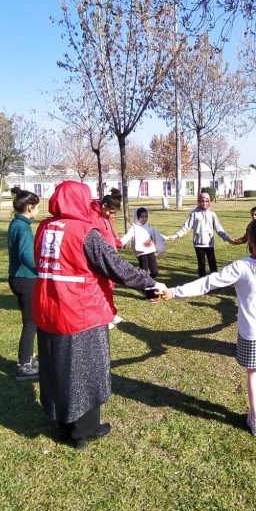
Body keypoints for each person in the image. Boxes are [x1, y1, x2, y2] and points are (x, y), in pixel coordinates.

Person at [32, 181, 166, 449]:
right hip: (80, 313)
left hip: (48, 310)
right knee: (85, 370)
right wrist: (149, 282)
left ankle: (64, 422)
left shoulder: (44, 228)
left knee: (57, 368)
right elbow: (115, 266)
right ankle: (83, 429)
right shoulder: (85, 232)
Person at [164, 219, 256, 437]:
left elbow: (208, 283)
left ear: (250, 240)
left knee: (255, 373)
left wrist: (175, 292)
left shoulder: (241, 267)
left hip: (253, 333)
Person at [7, 187, 41, 381]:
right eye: (36, 208)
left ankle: (28, 357)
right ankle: (24, 365)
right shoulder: (23, 227)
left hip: (17, 278)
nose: (37, 211)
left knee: (31, 321)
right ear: (29, 208)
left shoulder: (15, 223)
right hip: (25, 280)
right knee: (30, 323)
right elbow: (26, 256)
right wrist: (42, 270)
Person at [165, 192, 234, 277]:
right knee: (201, 265)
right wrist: (176, 235)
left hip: (209, 244)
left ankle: (216, 283)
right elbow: (186, 227)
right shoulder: (194, 214)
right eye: (202, 201)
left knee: (212, 263)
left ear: (209, 202)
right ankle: (202, 284)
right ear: (199, 201)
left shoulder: (212, 214)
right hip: (198, 244)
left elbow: (219, 229)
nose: (204, 203)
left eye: (206, 201)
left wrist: (228, 239)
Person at [91, 192, 124, 324]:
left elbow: (110, 232)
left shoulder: (108, 217)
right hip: (101, 257)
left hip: (111, 256)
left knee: (110, 287)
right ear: (104, 205)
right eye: (110, 212)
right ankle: (103, 317)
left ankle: (111, 313)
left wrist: (116, 241)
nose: (110, 215)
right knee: (101, 289)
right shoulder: (93, 217)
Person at [120, 207, 166, 291]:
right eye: (141, 217)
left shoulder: (148, 226)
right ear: (137, 217)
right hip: (141, 253)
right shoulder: (134, 227)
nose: (144, 219)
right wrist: (119, 243)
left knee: (155, 271)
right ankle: (148, 293)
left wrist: (168, 237)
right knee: (144, 273)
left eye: (145, 216)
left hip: (151, 251)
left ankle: (147, 285)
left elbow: (157, 234)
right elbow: (127, 237)